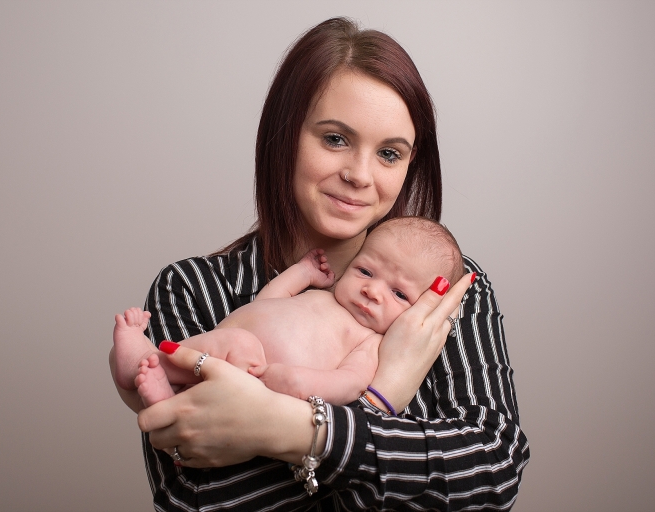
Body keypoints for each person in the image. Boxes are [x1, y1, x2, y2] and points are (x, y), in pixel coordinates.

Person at [110, 17, 529, 511]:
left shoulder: (446, 292)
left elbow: (492, 471)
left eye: (390, 153)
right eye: (335, 139)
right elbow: (197, 497)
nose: (358, 175)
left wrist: (295, 432)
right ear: (285, 136)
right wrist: (382, 403)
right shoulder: (193, 288)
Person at [113, 217, 467, 408]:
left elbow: (351, 383)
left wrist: (301, 383)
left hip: (256, 374)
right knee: (205, 348)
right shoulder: (323, 296)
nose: (371, 291)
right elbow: (270, 302)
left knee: (230, 349)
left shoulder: (372, 342)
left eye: (399, 293)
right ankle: (145, 363)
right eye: (365, 271)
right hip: (227, 342)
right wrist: (302, 274)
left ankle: (162, 387)